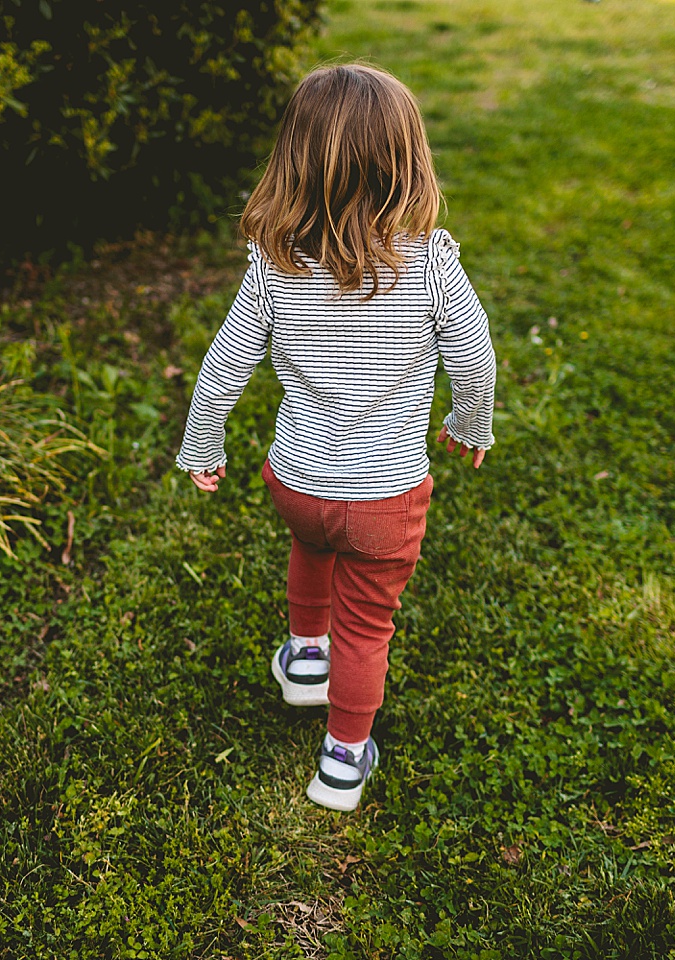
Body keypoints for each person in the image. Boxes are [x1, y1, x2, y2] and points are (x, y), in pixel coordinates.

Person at [175, 63, 497, 812]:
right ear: (406, 163)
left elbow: (223, 366)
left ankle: (304, 657)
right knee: (369, 624)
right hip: (385, 495)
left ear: (294, 161)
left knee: (312, 546)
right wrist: (468, 423)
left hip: (298, 483)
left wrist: (203, 445)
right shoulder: (430, 265)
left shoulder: (273, 266)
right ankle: (344, 758)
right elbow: (474, 356)